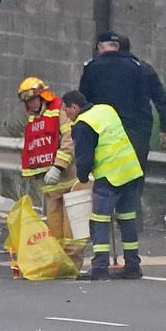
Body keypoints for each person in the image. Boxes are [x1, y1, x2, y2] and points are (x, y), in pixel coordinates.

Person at [62, 91, 144, 280]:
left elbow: (84, 157)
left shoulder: (83, 124)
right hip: (130, 171)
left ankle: (100, 268)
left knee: (99, 221)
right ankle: (133, 266)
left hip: (110, 176)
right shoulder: (106, 109)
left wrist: (82, 177)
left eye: (66, 110)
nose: (66, 115)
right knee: (127, 219)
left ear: (74, 107)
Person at [17, 77, 84, 269]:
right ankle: (58, 264)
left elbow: (69, 141)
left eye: (32, 100)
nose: (30, 104)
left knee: (71, 227)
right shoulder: (34, 116)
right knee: (54, 228)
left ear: (42, 96)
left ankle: (72, 265)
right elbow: (34, 146)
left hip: (68, 179)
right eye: (27, 102)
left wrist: (58, 166)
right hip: (50, 184)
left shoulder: (58, 111)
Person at [116, 34, 166, 227]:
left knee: (114, 176)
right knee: (136, 175)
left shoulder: (112, 71)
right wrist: (163, 128)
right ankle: (134, 221)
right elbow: (161, 100)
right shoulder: (144, 69)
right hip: (140, 130)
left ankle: (122, 218)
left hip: (116, 130)